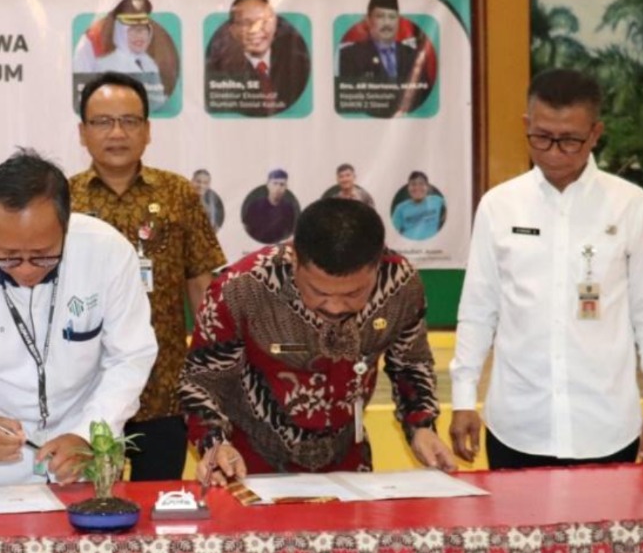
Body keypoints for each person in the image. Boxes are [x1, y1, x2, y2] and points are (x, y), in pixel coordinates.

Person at [448, 69, 643, 468]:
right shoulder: (499, 206)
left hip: (607, 429)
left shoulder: (631, 205)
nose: (554, 151)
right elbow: (478, 310)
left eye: (570, 140)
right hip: (517, 428)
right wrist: (463, 399)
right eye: (541, 137)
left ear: (595, 133)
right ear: (526, 125)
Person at [0, 150, 158, 486]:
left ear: (66, 225)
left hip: (86, 459)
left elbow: (130, 358)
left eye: (43, 256)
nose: (27, 271)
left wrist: (89, 434)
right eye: (8, 257)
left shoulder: (108, 254)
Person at [180, 197, 454, 481]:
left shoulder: (400, 285)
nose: (334, 307)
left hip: (348, 462)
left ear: (377, 266)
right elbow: (202, 379)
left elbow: (410, 363)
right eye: (318, 291)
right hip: (247, 465)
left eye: (352, 294)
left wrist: (421, 425)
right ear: (295, 258)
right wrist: (214, 443)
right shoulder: (241, 289)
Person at [70, 73, 226, 480]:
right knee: (89, 509)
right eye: (102, 122)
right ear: (82, 132)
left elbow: (201, 283)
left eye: (129, 121)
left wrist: (213, 372)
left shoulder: (178, 193)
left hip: (164, 390)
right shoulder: (64, 199)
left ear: (147, 130)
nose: (117, 133)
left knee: (161, 509)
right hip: (86, 391)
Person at [204, 0, 311, 117]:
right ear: (232, 31)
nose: (255, 30)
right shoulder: (217, 70)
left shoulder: (299, 63)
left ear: (275, 24)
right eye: (246, 23)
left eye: (264, 21)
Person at [336, 0, 433, 118]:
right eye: (380, 16)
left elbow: (423, 100)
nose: (387, 23)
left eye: (392, 17)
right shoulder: (349, 55)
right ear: (368, 20)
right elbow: (348, 103)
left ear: (398, 21)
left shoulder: (414, 56)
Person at [88, 0, 172, 112]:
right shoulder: (104, 65)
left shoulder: (150, 63)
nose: (140, 37)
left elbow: (158, 102)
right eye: (132, 30)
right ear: (120, 33)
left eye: (143, 30)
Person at [242, 168, 299, 244]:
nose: (278, 188)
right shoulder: (255, 206)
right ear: (268, 185)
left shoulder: (288, 209)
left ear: (286, 187)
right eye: (275, 183)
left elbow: (290, 232)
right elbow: (246, 228)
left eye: (282, 184)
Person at [391, 170, 445, 241]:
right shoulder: (400, 208)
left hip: (433, 248)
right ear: (408, 188)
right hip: (408, 248)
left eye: (421, 184)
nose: (417, 188)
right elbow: (392, 234)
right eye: (413, 184)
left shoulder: (437, 200)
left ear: (427, 187)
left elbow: (453, 206)